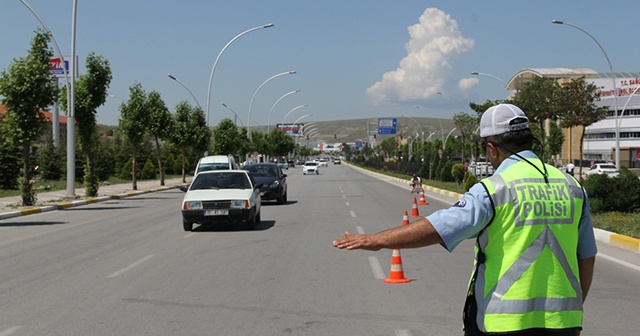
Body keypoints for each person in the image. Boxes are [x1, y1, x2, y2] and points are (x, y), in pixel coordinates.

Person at [333, 104, 597, 336]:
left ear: (492, 148)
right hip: (564, 324)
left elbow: (438, 228)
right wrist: (570, 312)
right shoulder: (574, 188)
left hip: (503, 324)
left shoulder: (494, 189)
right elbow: (586, 257)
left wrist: (376, 240)